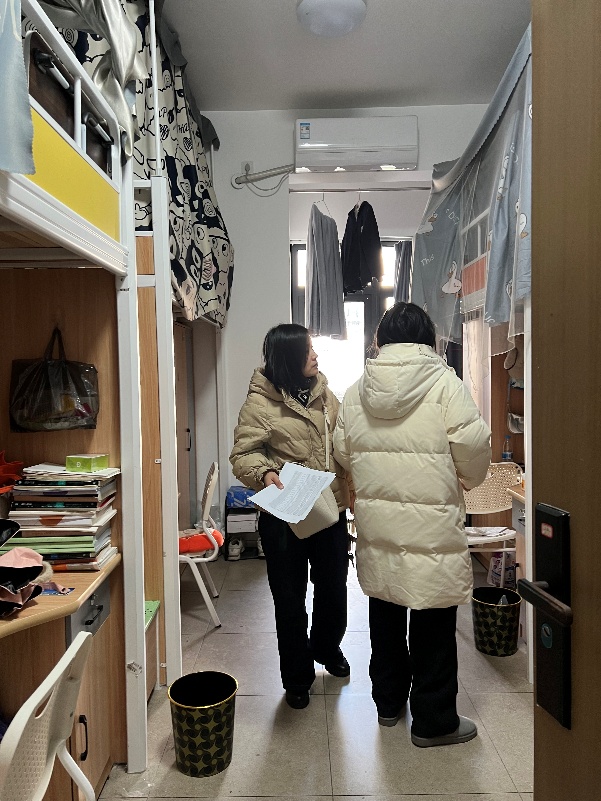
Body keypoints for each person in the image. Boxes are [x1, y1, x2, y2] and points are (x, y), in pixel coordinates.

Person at [333, 302, 491, 747]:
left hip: (379, 527)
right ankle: (433, 721)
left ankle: (387, 705)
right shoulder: (446, 384)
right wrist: (466, 478)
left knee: (384, 612)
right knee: (433, 621)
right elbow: (474, 448)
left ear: (379, 341)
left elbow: (343, 451)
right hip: (432, 529)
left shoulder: (356, 391)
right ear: (429, 339)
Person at [230, 323, 352, 710]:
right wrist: (264, 472)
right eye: (308, 350)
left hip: (329, 510)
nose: (315, 355)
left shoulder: (326, 395)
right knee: (288, 598)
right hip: (284, 516)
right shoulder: (261, 402)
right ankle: (297, 677)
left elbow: (342, 445)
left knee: (333, 588)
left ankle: (327, 648)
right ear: (288, 358)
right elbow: (243, 454)